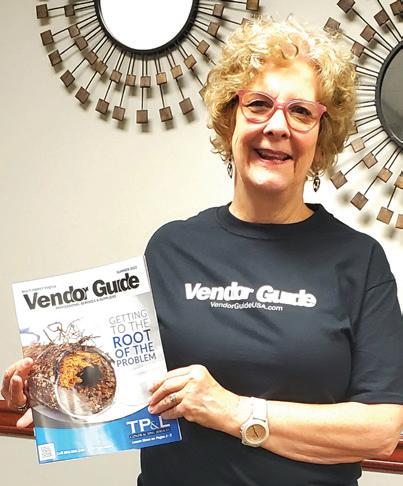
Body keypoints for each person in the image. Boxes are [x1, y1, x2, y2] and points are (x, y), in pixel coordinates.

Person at [2, 16, 403, 486]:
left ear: (321, 135)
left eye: (300, 112)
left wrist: (234, 411)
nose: (277, 126)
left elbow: (381, 430)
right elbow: (125, 386)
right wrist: (49, 395)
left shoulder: (358, 260)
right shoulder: (172, 248)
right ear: (230, 119)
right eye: (258, 104)